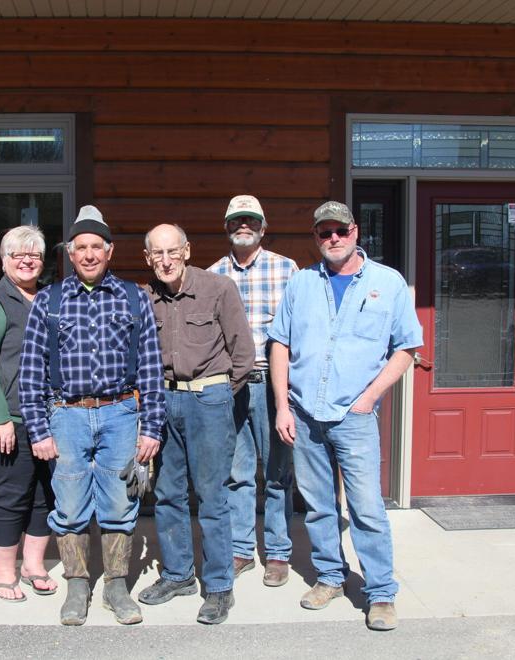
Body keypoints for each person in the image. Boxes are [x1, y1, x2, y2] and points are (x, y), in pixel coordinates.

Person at [268, 201, 422, 631]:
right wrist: (282, 405)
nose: (332, 238)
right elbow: (279, 344)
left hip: (354, 416)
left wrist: (370, 397)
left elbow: (407, 347)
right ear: (316, 238)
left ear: (355, 231)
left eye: (339, 230)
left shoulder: (386, 283)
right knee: (318, 506)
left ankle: (381, 593)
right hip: (304, 412)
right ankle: (331, 577)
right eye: (323, 232)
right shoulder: (300, 284)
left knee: (367, 508)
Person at [18, 205, 165, 626]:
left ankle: (116, 585)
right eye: (79, 247)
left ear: (109, 250)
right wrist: (38, 430)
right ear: (69, 252)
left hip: (121, 412)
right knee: (68, 506)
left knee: (120, 503)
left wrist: (151, 426)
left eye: (95, 247)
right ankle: (77, 585)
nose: (87, 254)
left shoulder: (134, 297)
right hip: (66, 416)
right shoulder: (49, 300)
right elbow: (31, 371)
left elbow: (152, 368)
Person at [136, 224, 254, 624]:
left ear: (187, 250)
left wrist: (218, 394)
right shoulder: (145, 297)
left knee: (211, 495)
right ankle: (178, 575)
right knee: (167, 493)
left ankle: (219, 586)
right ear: (147, 258)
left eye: (173, 251)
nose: (166, 261)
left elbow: (244, 354)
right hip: (163, 400)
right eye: (157, 254)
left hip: (209, 400)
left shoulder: (218, 288)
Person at [208, 194, 298, 587]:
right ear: (226, 226)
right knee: (237, 473)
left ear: (263, 226)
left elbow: (300, 330)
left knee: (277, 472)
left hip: (272, 385)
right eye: (236, 220)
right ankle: (241, 549)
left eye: (250, 220)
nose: (243, 226)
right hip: (230, 387)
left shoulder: (287, 269)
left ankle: (277, 553)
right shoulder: (212, 275)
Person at [0, 226, 57, 603]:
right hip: (8, 419)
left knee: (44, 494)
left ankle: (34, 565)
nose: (27, 260)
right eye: (18, 254)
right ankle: (5, 573)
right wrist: (1, 418)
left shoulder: (49, 298)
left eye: (34, 254)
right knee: (10, 495)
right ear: (4, 260)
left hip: (47, 417)